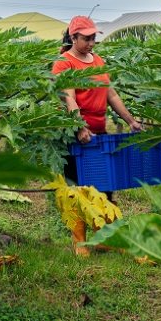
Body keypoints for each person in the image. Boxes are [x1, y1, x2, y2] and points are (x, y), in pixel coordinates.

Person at [51, 15, 141, 255]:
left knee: (104, 186)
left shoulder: (98, 61)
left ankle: (104, 237)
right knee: (76, 188)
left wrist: (130, 120)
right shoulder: (64, 63)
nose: (92, 43)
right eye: (87, 38)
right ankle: (80, 241)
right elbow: (68, 96)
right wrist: (79, 126)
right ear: (73, 37)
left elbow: (111, 95)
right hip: (74, 135)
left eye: (93, 38)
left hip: (99, 134)